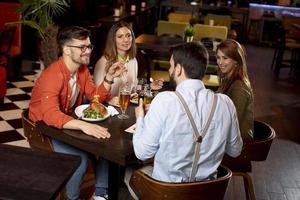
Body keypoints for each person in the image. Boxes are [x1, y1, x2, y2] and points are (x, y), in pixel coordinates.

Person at [125, 42, 243, 199]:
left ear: (179, 69)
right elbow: (235, 151)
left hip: (166, 193)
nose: (169, 70)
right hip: (207, 193)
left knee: (128, 173)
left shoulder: (165, 100)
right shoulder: (225, 103)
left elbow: (142, 153)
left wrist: (140, 117)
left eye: (171, 65)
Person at [29, 26, 125, 200]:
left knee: (106, 144)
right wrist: (83, 125)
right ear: (66, 50)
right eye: (82, 47)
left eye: (89, 46)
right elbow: (50, 115)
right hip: (43, 128)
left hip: (66, 121)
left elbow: (95, 96)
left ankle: (100, 193)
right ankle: (71, 198)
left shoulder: (81, 69)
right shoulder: (52, 75)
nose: (87, 51)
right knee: (78, 160)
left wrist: (109, 78)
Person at [93, 21, 162, 105]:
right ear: (113, 40)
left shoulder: (133, 60)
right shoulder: (102, 63)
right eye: (120, 37)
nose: (126, 40)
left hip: (126, 107)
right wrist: (109, 100)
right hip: (109, 109)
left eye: (128, 35)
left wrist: (149, 87)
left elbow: (133, 88)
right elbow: (96, 95)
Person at [216, 39, 254, 142]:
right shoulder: (228, 79)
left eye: (225, 58)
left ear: (236, 60)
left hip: (239, 142)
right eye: (218, 58)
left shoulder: (239, 87)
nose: (220, 62)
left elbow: (233, 121)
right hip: (230, 137)